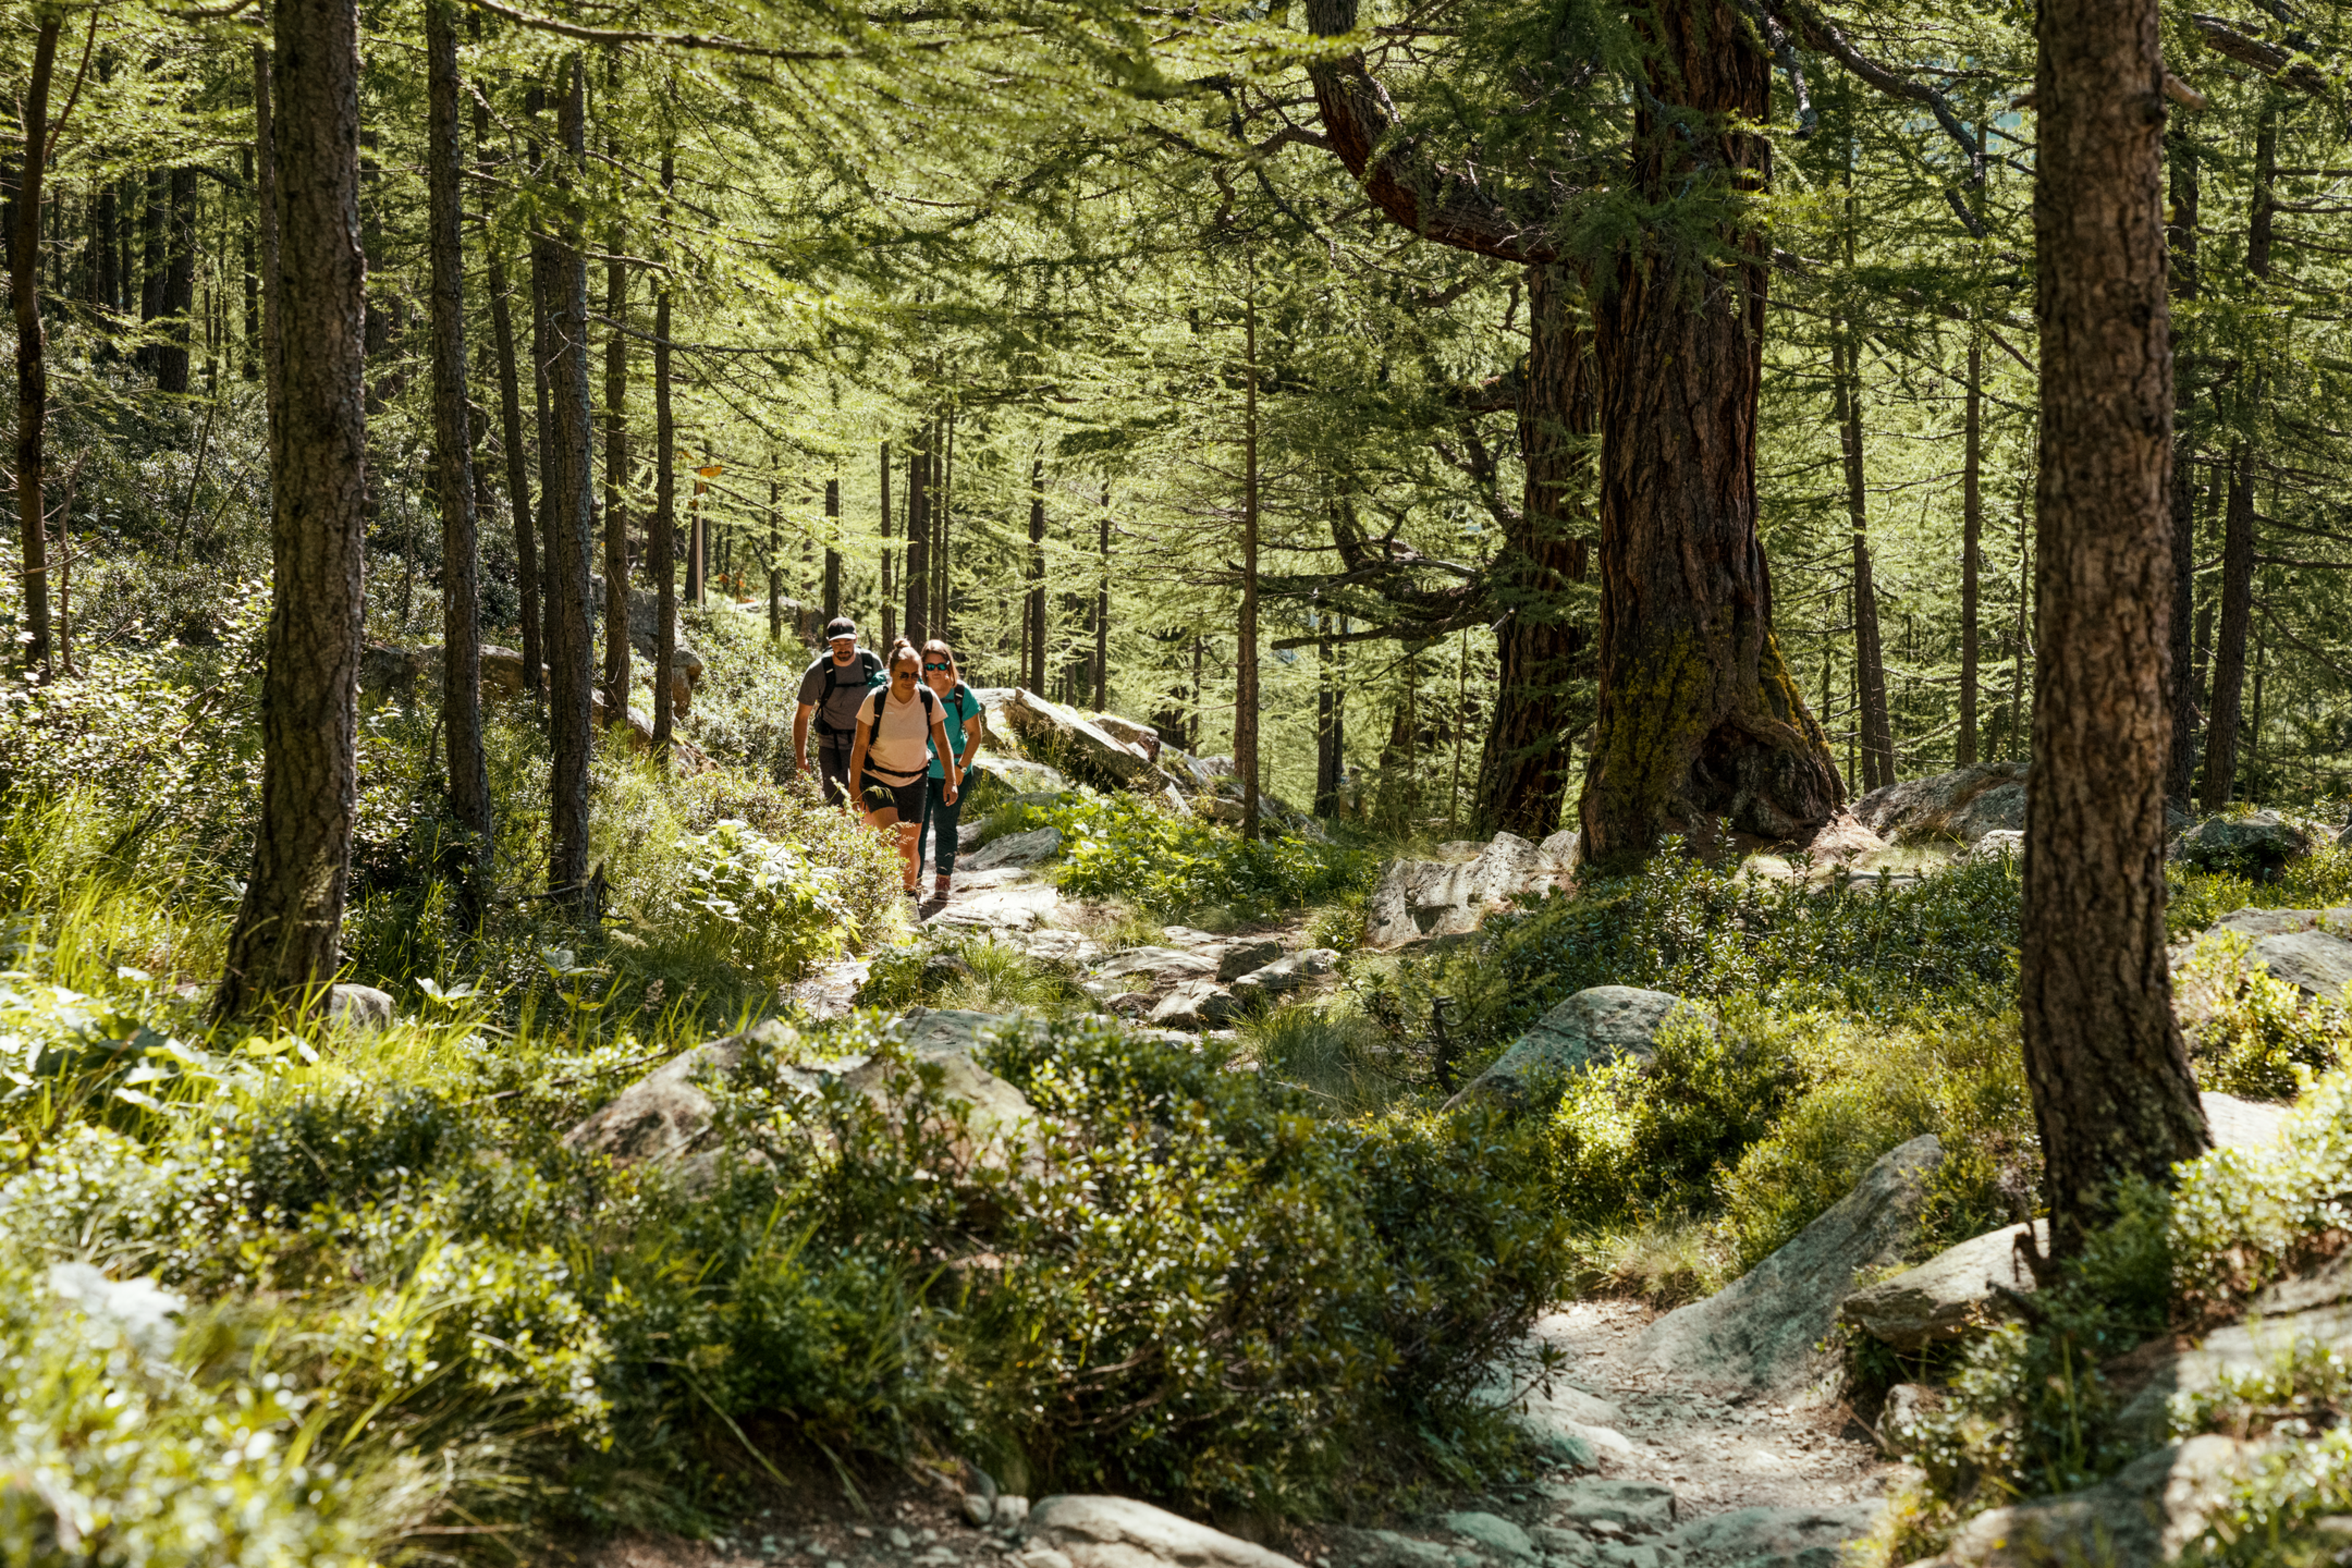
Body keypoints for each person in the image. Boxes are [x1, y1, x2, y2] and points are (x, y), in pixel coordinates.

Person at [848, 641, 962, 897]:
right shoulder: (875, 700)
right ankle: (880, 898)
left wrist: (951, 780)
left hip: (915, 780)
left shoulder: (927, 698)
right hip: (878, 778)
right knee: (892, 838)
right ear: (891, 674)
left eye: (915, 675)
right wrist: (854, 787)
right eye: (903, 675)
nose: (910, 681)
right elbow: (860, 746)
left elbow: (942, 742)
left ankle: (908, 899)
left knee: (910, 848)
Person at [918, 639, 986, 902]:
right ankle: (914, 880)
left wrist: (961, 768)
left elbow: (975, 734)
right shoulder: (917, 692)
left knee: (946, 826)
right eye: (930, 665)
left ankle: (943, 881)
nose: (935, 670)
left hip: (954, 773)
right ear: (923, 667)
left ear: (949, 665)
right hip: (920, 772)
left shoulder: (960, 694)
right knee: (918, 827)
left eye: (941, 665)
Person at [793, 616, 883, 808]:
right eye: (837, 643)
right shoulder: (817, 672)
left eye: (847, 642)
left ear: (856, 639)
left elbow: (887, 705)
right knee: (836, 804)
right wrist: (802, 758)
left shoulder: (871, 664)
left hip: (868, 745)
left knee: (868, 803)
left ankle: (863, 838)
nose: (843, 649)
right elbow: (802, 716)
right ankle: (842, 838)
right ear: (829, 643)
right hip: (831, 747)